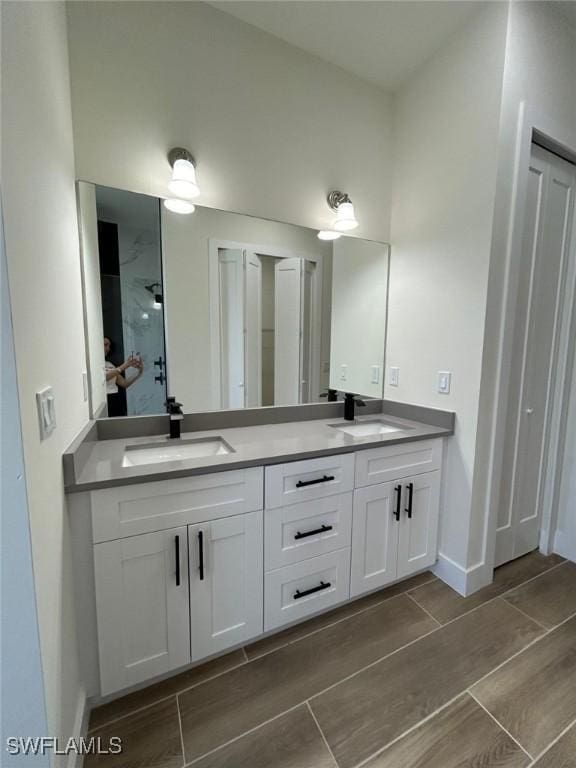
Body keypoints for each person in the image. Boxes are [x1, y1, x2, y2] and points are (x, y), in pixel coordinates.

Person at [104, 337, 144, 417]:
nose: (108, 348)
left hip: (115, 400)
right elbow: (104, 377)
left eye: (109, 346)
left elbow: (124, 383)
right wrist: (126, 365)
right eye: (105, 345)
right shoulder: (94, 366)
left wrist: (139, 372)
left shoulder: (109, 364)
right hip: (105, 401)